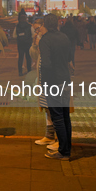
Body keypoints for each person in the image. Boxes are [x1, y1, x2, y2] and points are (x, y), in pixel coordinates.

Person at [39, 14, 72, 160]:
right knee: (65, 117)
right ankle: (66, 149)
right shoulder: (64, 37)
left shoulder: (45, 40)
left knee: (57, 118)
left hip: (52, 82)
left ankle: (63, 152)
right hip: (65, 80)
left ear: (45, 24)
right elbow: (70, 57)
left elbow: (46, 64)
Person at [33, 21, 57, 146]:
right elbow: (33, 53)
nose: (37, 33)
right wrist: (35, 45)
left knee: (55, 110)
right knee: (47, 109)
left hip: (51, 83)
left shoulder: (50, 44)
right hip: (44, 82)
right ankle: (49, 136)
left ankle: (58, 139)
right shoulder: (43, 48)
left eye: (38, 30)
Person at [13, 11, 33, 76]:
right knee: (28, 57)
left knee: (20, 58)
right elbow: (33, 34)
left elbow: (14, 35)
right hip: (28, 44)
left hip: (20, 44)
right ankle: (29, 70)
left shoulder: (17, 26)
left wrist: (19, 37)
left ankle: (20, 72)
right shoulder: (29, 26)